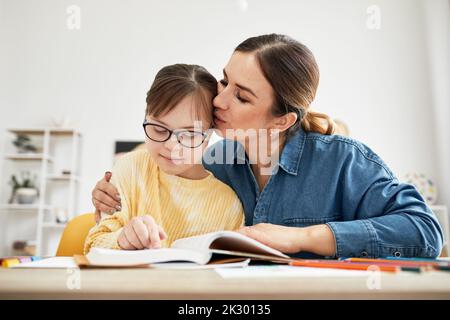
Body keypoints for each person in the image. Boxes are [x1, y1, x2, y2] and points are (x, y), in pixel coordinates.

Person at [91, 34, 443, 259]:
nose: (219, 100)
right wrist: (111, 194)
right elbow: (156, 184)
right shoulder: (216, 161)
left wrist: (303, 237)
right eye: (224, 81)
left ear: (281, 121)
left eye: (241, 96)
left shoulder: (344, 161)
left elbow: (425, 233)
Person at [84, 64, 244, 253]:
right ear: (146, 117)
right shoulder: (131, 168)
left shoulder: (227, 204)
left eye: (189, 134)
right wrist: (122, 239)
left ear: (209, 135)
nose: (171, 146)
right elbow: (94, 243)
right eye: (159, 129)